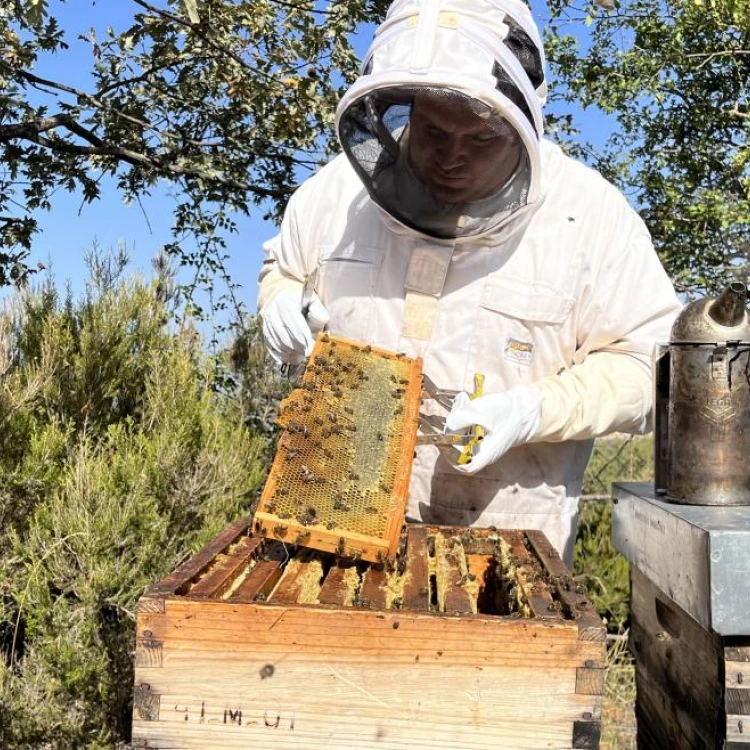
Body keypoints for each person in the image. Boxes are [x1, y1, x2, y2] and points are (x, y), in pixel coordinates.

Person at [258, 0, 681, 566]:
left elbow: (648, 369)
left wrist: (533, 409)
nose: (452, 157)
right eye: (433, 131)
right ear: (402, 106)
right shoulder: (334, 195)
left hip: (508, 553)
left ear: (520, 120)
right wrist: (281, 301)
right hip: (332, 528)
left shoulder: (592, 218)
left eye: (481, 139)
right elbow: (283, 269)